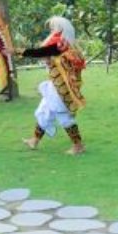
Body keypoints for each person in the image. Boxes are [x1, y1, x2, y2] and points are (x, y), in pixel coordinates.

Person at [20, 16, 88, 155]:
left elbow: (41, 53)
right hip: (55, 84)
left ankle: (78, 145)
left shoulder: (60, 44)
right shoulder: (68, 44)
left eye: (53, 27)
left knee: (62, 115)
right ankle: (34, 140)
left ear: (60, 28)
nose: (51, 29)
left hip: (61, 87)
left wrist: (17, 51)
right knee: (44, 111)